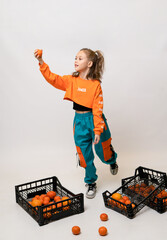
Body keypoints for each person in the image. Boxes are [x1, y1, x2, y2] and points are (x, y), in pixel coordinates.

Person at [34, 48, 118, 199]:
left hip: (95, 120)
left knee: (103, 153)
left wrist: (98, 130)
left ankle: (112, 160)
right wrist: (41, 62)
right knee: (84, 154)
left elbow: (98, 109)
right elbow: (53, 78)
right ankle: (91, 182)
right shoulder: (71, 80)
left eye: (80, 58)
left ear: (90, 63)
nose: (76, 61)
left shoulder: (95, 85)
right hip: (79, 122)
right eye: (75, 58)